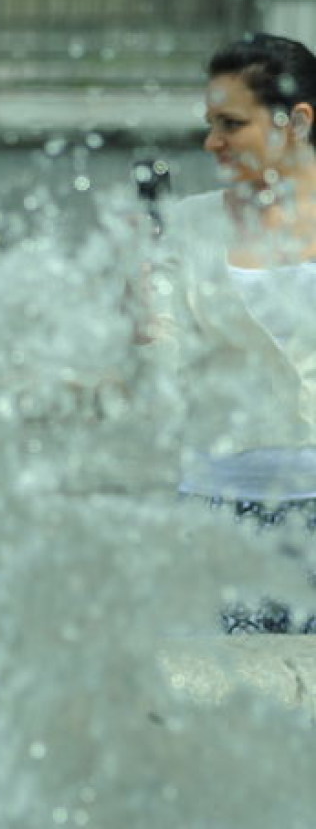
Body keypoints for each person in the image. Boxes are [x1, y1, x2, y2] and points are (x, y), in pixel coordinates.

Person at [148, 32, 316, 633]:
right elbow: (160, 374)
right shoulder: (186, 225)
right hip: (216, 511)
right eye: (209, 122)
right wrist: (138, 326)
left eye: (232, 123)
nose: (211, 141)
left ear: (296, 120)